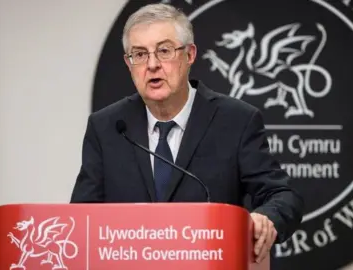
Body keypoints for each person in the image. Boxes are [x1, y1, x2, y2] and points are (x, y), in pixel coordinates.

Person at [70, 3, 304, 263]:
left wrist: (266, 218)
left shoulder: (236, 120)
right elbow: (82, 217)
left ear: (189, 55)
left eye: (165, 51)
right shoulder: (107, 127)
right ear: (128, 63)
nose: (153, 65)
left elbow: (283, 195)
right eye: (139, 54)